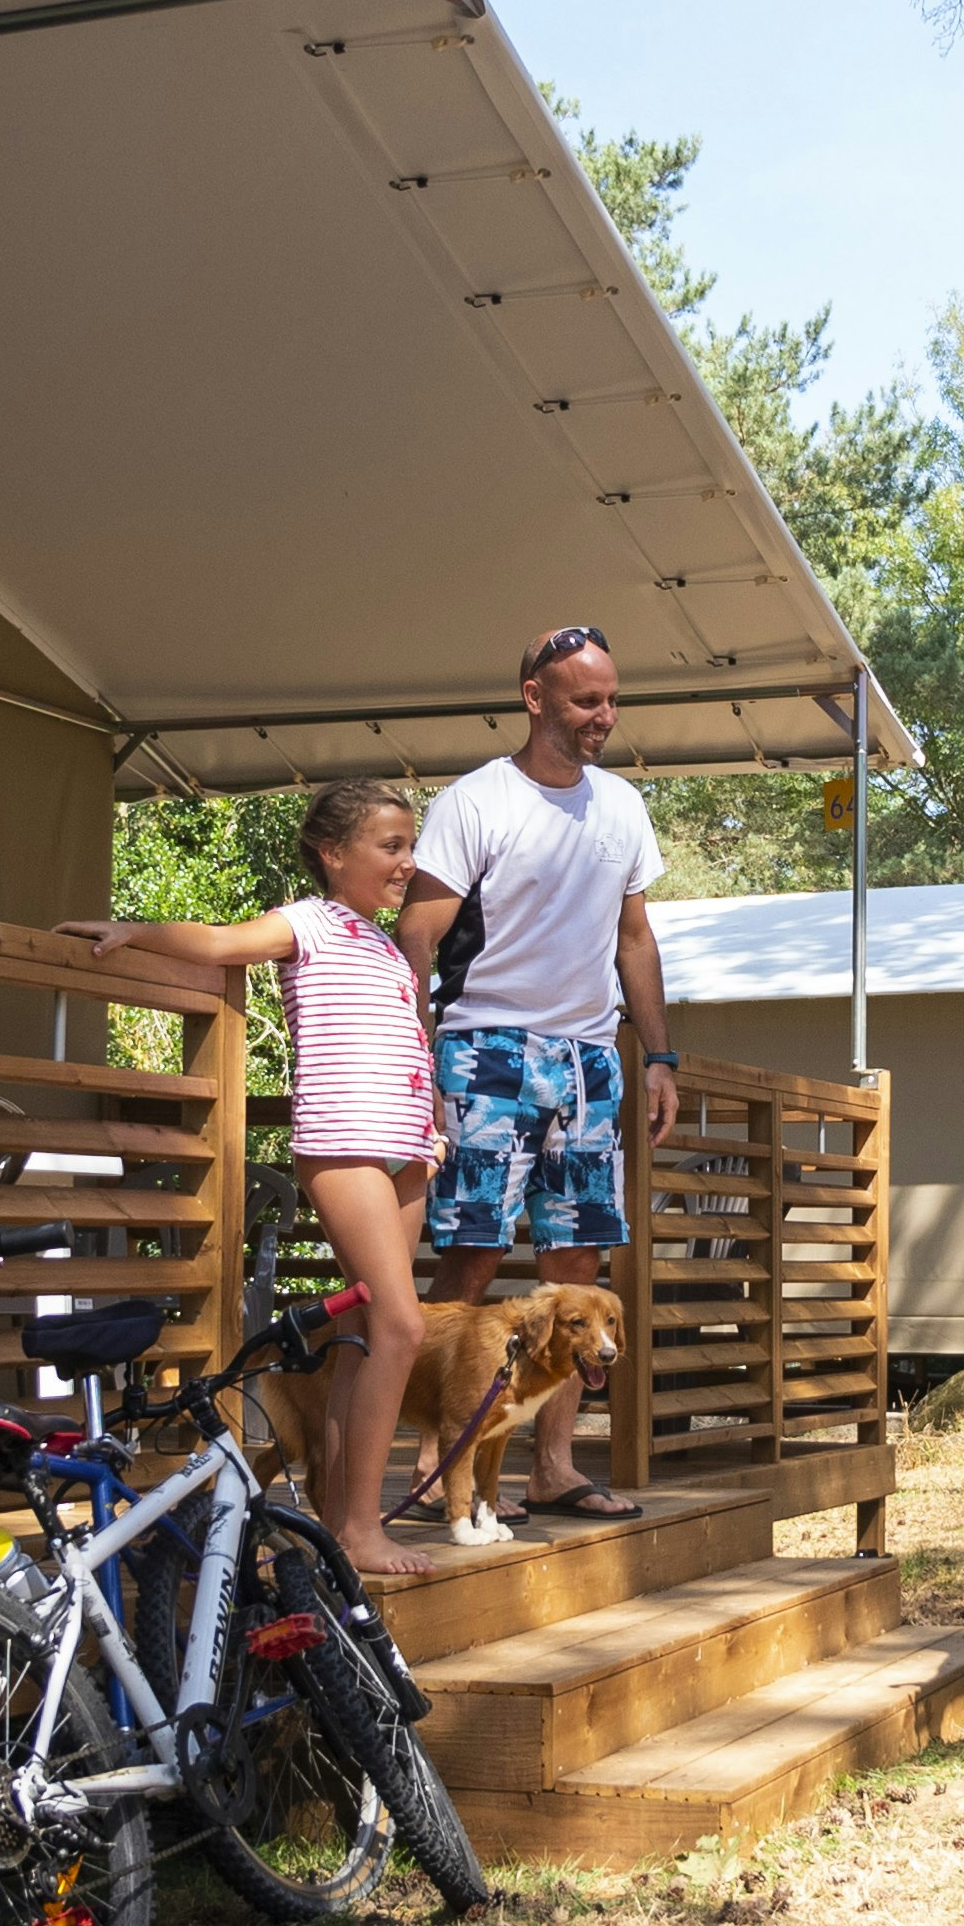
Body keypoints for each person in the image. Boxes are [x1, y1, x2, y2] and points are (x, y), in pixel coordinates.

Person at [58, 781, 438, 1577]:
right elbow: (221, 942)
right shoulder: (313, 920)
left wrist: (433, 1123)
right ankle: (363, 1529)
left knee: (366, 1337)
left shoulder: (384, 945)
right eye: (390, 846)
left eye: (411, 846)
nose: (408, 862)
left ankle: (339, 1520)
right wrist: (135, 931)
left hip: (407, 1145)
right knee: (402, 1325)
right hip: (346, 1143)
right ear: (335, 854)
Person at [393, 625, 676, 1521]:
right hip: (487, 1047)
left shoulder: (622, 807)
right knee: (472, 1255)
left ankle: (551, 1467)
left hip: (590, 1058)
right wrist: (417, 1052)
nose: (605, 716)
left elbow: (634, 939)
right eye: (587, 700)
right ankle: (442, 1463)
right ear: (535, 698)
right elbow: (417, 934)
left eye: (611, 699)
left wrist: (659, 1053)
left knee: (580, 1266)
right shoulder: (476, 802)